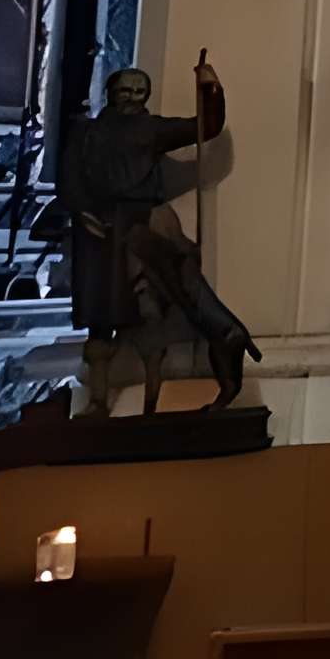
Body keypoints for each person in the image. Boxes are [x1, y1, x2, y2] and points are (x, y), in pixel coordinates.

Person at [58, 58, 256, 404]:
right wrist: (82, 209)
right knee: (102, 314)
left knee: (170, 289)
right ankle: (102, 402)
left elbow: (205, 127)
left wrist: (209, 87)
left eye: (139, 91)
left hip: (140, 221)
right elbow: (70, 176)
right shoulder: (85, 132)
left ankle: (223, 337)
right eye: (125, 90)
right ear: (110, 92)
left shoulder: (152, 130)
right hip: (99, 231)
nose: (132, 97)